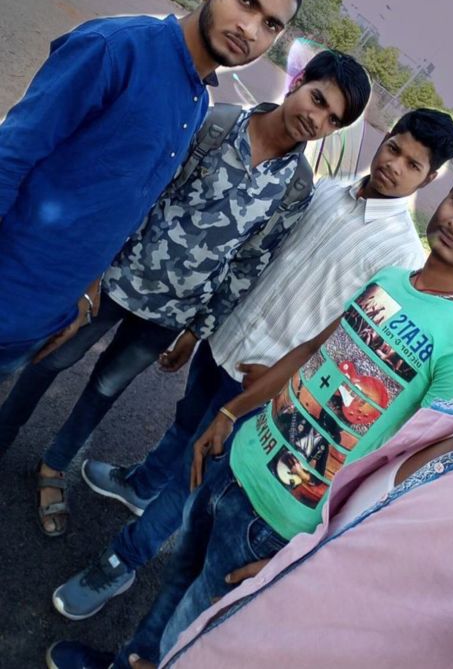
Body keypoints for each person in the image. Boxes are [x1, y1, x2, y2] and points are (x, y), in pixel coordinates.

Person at [49, 166, 453, 669]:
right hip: (242, 461)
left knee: (195, 624)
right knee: (172, 598)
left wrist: (305, 558)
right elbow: (315, 354)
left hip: (277, 524)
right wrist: (232, 413)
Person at [53, 107, 453, 615]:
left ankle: (123, 561)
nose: (393, 165)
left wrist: (284, 379)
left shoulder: (400, 254)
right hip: (228, 339)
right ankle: (139, 485)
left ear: (430, 178)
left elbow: (348, 340)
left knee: (196, 472)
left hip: (266, 377)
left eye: (413, 164)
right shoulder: (329, 190)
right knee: (184, 426)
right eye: (394, 148)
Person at [0, 48, 370, 535]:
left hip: (169, 313)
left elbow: (247, 262)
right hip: (117, 276)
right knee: (52, 358)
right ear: (298, 82)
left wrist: (198, 329)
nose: (316, 119)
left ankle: (54, 466)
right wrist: (92, 269)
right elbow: (144, 191)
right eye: (318, 99)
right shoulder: (217, 124)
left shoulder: (297, 187)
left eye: (332, 119)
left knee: (106, 387)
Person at [0, 0, 304, 377]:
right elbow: (11, 156)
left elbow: (122, 204)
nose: (251, 28)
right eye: (245, 0)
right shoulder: (116, 49)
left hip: (42, 318)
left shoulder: (198, 103)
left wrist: (84, 292)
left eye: (270, 24)